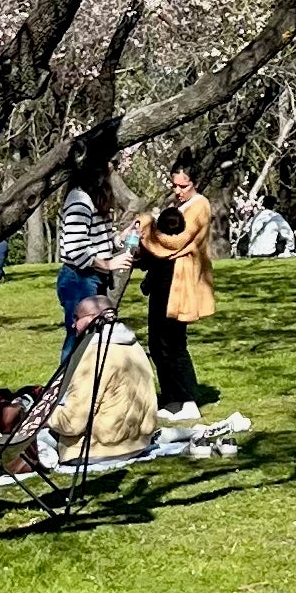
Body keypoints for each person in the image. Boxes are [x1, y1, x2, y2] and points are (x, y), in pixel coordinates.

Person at [49, 296, 159, 466]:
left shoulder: (94, 355)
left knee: (30, 434)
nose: (73, 325)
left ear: (92, 318)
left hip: (97, 449)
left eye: (77, 318)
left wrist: (45, 414)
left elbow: (72, 423)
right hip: (137, 443)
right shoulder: (134, 346)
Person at [142, 170, 215, 423]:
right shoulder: (180, 207)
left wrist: (148, 228)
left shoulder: (200, 206)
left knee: (173, 343)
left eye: (183, 186)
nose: (177, 191)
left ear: (195, 183)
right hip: (164, 281)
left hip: (179, 282)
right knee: (158, 343)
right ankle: (172, 397)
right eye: (174, 185)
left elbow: (176, 242)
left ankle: (187, 399)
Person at [57, 147, 131, 362]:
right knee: (79, 339)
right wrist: (108, 264)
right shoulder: (79, 199)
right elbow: (75, 247)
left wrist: (120, 239)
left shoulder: (93, 198)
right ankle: (67, 382)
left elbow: (97, 240)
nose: (114, 169)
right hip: (79, 279)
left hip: (93, 277)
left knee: (93, 340)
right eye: (112, 164)